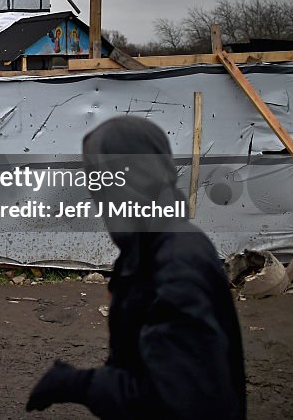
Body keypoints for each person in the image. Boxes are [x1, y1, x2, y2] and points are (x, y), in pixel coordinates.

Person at [26, 117, 246, 418]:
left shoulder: (176, 260)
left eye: (103, 180)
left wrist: (79, 384)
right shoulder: (144, 253)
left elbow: (178, 400)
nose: (96, 195)